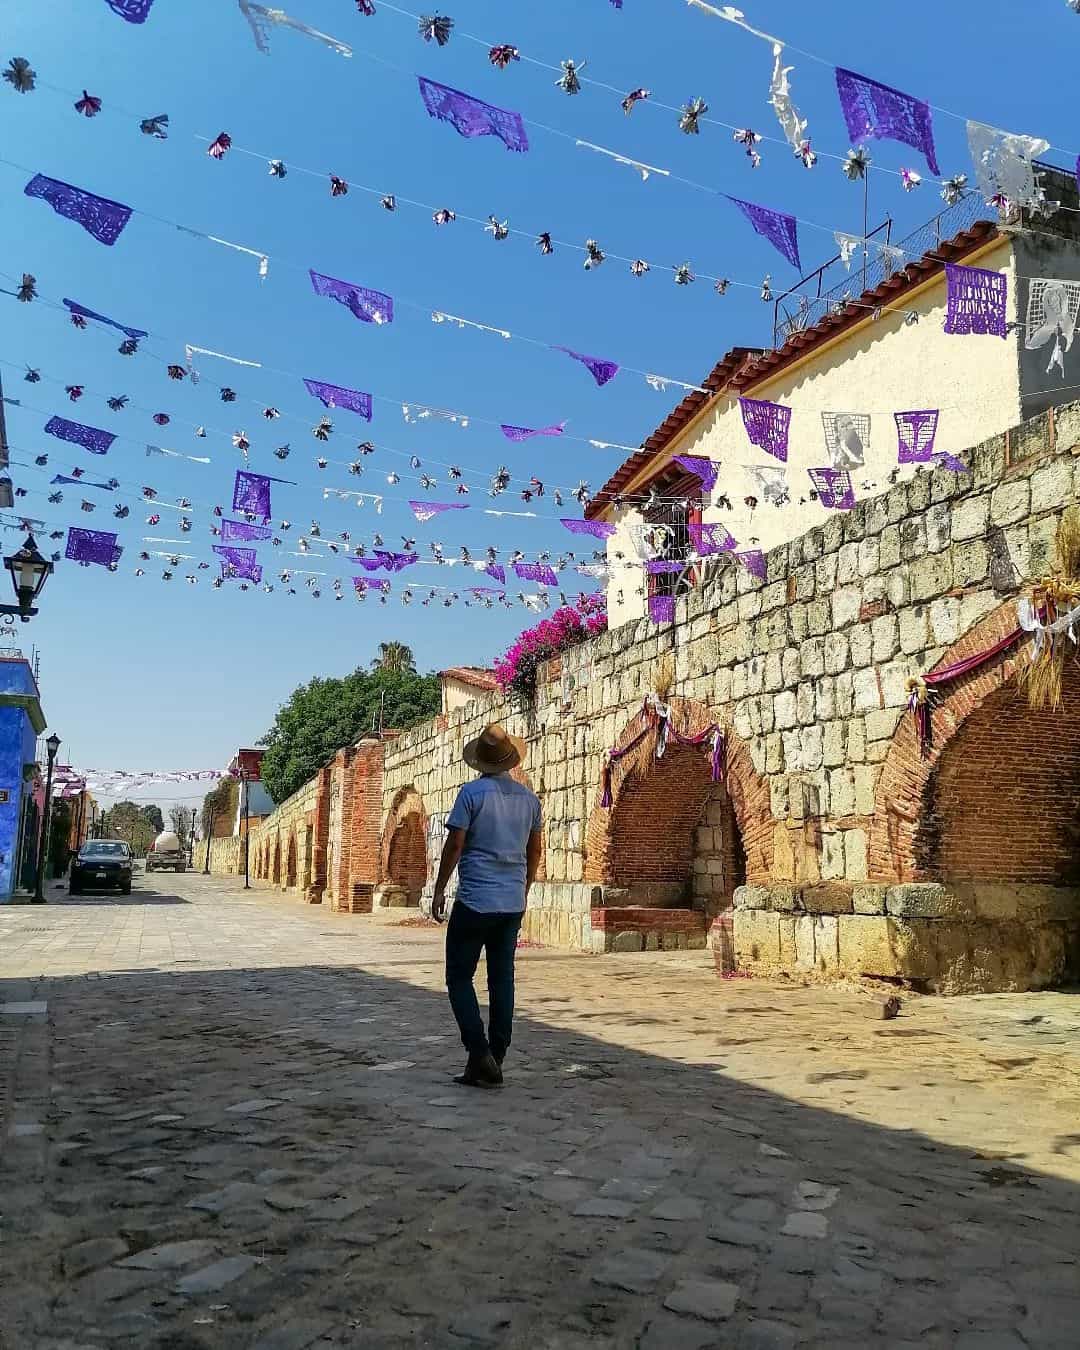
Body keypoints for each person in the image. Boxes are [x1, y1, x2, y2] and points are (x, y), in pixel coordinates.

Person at [432, 724, 542, 1089]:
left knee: (458, 976)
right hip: (510, 903)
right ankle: (497, 1054)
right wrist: (523, 888)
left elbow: (455, 845)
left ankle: (479, 1052)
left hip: (475, 900)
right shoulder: (530, 801)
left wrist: (439, 890)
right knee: (502, 978)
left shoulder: (471, 794)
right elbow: (534, 852)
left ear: (480, 761)